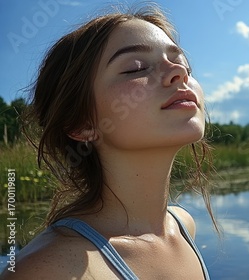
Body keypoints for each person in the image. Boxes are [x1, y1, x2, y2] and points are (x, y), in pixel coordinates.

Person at [0, 3, 218, 279]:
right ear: (82, 124)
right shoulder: (48, 269)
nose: (180, 73)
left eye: (182, 62)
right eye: (136, 68)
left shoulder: (183, 224)